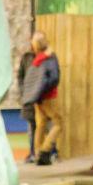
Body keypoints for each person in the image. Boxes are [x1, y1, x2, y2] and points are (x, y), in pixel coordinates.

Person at [19, 31, 63, 165]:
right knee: (58, 123)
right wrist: (45, 91)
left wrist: (35, 94)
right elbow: (54, 77)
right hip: (48, 97)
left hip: (37, 99)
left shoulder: (36, 60)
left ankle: (38, 153)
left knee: (41, 124)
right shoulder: (50, 57)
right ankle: (45, 149)